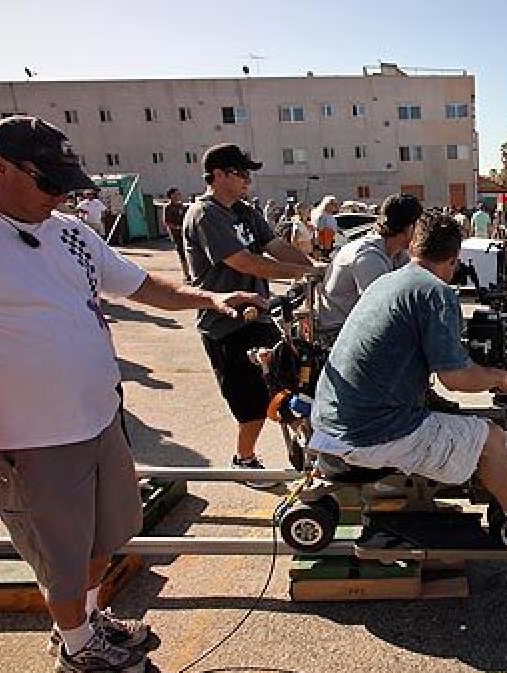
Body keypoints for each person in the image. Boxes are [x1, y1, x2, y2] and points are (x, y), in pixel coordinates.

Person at [0, 116, 263, 673]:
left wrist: (208, 297)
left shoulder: (68, 229)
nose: (63, 195)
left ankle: (88, 621)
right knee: (60, 554)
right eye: (50, 182)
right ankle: (74, 646)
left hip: (96, 421)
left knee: (104, 534)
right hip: (25, 437)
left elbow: (141, 285)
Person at [308, 215, 507, 549]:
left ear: (413, 246)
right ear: (454, 258)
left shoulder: (388, 282)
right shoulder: (435, 293)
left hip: (332, 420)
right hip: (368, 432)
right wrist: (502, 378)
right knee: (491, 437)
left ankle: (492, 488)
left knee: (457, 418)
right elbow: (456, 378)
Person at [184, 143, 322, 483]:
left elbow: (276, 246)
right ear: (218, 175)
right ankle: (244, 460)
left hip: (258, 316)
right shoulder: (205, 215)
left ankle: (306, 454)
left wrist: (314, 268)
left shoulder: (245, 211)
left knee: (290, 381)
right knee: (250, 403)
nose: (247, 180)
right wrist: (297, 273)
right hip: (224, 322)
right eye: (241, 173)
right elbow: (243, 261)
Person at [315, 193, 421, 339]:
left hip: (358, 329)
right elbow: (381, 311)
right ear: (410, 228)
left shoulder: (396, 253)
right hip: (338, 335)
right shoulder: (367, 256)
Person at [162, 187, 191, 282]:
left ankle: (191, 272)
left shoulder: (181, 206)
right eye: (176, 194)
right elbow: (167, 222)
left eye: (179, 194)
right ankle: (187, 274)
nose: (179, 196)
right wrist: (177, 227)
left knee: (189, 252)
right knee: (182, 253)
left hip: (185, 233)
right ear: (171, 196)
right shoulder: (168, 207)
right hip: (177, 235)